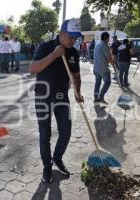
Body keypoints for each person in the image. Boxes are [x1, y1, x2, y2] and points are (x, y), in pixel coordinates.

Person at [29, 18, 84, 183]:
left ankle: (57, 158)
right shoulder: (46, 46)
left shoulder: (73, 52)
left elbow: (76, 75)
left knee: (66, 132)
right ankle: (47, 166)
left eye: (75, 37)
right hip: (42, 97)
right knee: (45, 133)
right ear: (61, 33)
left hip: (62, 97)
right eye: (70, 36)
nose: (73, 40)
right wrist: (54, 54)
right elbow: (33, 69)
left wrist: (77, 92)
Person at [93, 32, 115, 104]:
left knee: (98, 83)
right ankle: (100, 96)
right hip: (103, 68)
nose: (109, 40)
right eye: (108, 38)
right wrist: (114, 66)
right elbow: (109, 58)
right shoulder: (105, 46)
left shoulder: (97, 45)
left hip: (96, 68)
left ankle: (96, 97)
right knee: (107, 82)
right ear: (106, 38)